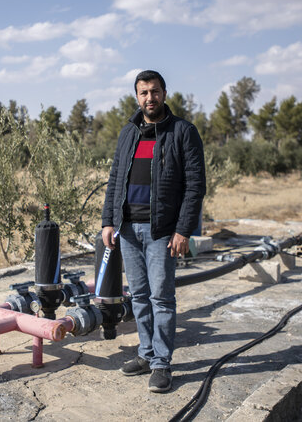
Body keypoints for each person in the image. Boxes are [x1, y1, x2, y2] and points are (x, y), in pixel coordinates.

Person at [101, 70, 206, 393]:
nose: (150, 98)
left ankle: (162, 364)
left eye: (155, 91)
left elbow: (195, 186)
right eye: (144, 93)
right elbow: (115, 179)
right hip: (128, 228)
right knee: (141, 298)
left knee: (162, 298)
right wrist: (108, 221)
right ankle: (146, 354)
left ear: (164, 93)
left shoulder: (182, 132)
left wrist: (183, 230)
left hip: (162, 231)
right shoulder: (128, 133)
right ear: (137, 97)